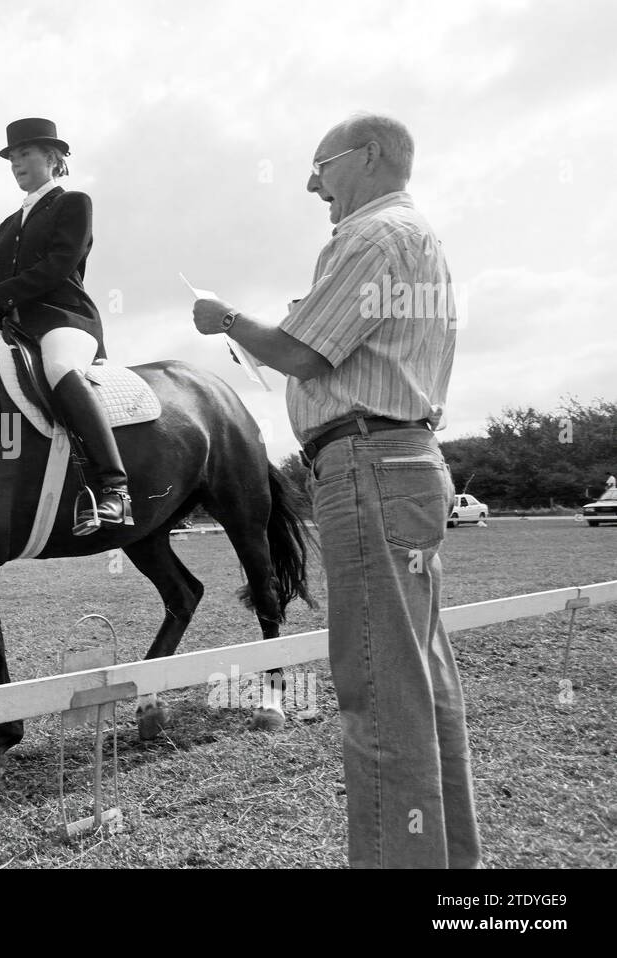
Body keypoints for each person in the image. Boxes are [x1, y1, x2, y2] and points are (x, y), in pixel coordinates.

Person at [191, 112, 481, 868]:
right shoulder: (415, 238)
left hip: (365, 464)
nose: (310, 183)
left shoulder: (372, 236)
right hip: (402, 460)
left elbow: (299, 352)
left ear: (370, 155)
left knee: (378, 690)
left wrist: (225, 318)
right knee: (418, 682)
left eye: (320, 166)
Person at [0, 117, 131, 535]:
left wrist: (0, 296)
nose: (16, 163)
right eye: (12, 157)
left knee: (59, 369)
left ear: (52, 159)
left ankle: (116, 488)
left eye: (25, 154)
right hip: (14, 326)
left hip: (63, 318)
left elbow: (59, 265)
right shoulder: (7, 224)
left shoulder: (74, 203)